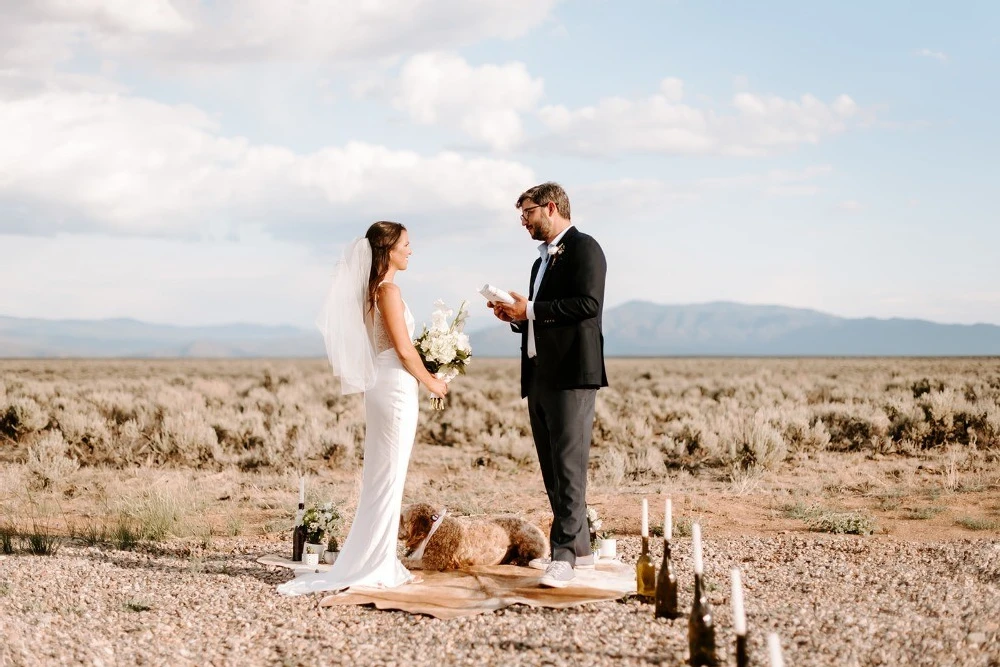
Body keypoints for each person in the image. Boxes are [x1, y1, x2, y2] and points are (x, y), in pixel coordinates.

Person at [278, 221, 447, 596]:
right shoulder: (388, 290)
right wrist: (434, 381)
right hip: (396, 386)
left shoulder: (369, 292)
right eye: (406, 244)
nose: (410, 250)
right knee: (388, 476)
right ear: (388, 250)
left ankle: (377, 557)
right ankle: (376, 563)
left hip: (384, 384)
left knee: (383, 474)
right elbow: (403, 350)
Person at [488, 182, 608, 588]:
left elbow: (588, 304)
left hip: (572, 375)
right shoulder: (540, 264)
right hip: (539, 375)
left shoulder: (585, 248)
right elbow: (541, 317)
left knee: (569, 468)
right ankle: (583, 551)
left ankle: (563, 558)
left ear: (550, 208)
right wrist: (517, 316)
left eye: (528, 212)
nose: (523, 221)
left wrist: (533, 308)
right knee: (553, 470)